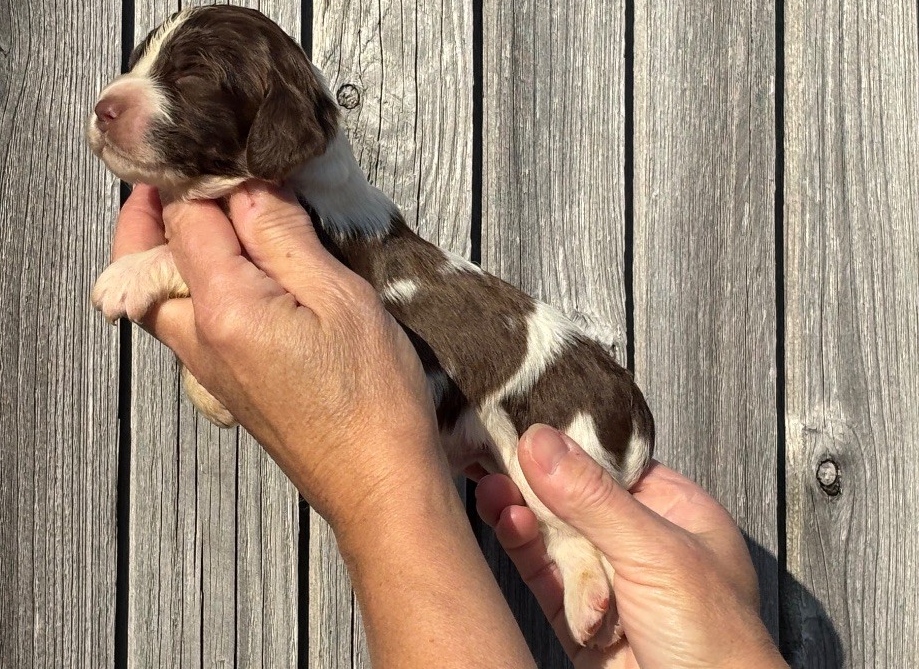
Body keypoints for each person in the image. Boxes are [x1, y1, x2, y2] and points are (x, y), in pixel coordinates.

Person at [111, 181, 789, 669]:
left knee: (538, 499)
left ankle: (578, 543)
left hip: (548, 409)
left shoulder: (321, 221)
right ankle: (581, 548)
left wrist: (376, 490)